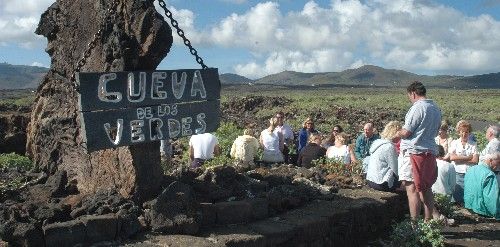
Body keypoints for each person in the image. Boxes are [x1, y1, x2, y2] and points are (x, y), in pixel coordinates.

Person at [397, 81, 442, 221]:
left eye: (409, 96)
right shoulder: (436, 108)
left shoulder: (417, 108)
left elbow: (407, 132)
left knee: (412, 189)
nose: (410, 98)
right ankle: (428, 223)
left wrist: (397, 133)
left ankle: (415, 227)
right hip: (429, 151)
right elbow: (436, 131)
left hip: (413, 151)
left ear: (413, 93)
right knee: (425, 187)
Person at [464, 144, 499, 219]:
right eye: (498, 162)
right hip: (482, 210)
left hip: (469, 206)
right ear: (490, 160)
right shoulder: (489, 174)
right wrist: (497, 214)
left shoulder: (471, 169)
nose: (499, 165)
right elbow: (491, 200)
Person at [366, 121, 401, 192]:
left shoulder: (377, 142)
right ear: (395, 133)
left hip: (370, 180)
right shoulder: (389, 147)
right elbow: (396, 169)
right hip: (381, 183)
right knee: (410, 186)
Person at [449, 120, 479, 204]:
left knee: (468, 197)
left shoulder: (473, 144)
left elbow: (475, 160)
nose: (464, 134)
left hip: (469, 173)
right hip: (457, 173)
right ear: (459, 132)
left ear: (469, 133)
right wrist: (468, 157)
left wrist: (459, 159)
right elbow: (452, 157)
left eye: (466, 132)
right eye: (462, 132)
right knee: (456, 199)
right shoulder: (454, 143)